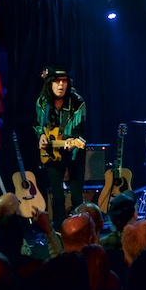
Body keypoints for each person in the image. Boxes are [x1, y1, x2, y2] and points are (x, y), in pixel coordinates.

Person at [34, 65, 86, 229]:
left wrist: (73, 142)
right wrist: (41, 135)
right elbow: (37, 124)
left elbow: (81, 132)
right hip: (51, 154)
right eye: (57, 81)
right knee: (57, 197)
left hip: (73, 154)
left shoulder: (78, 102)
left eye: (64, 81)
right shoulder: (42, 101)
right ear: (49, 83)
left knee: (77, 197)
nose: (61, 85)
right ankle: (58, 232)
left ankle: (80, 231)